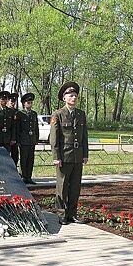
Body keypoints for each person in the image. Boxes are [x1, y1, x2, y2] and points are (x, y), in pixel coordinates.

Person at [50, 81, 88, 225]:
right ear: (64, 98)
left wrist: (85, 154)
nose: (73, 98)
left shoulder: (81, 114)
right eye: (71, 95)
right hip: (64, 156)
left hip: (77, 155)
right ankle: (61, 214)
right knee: (62, 186)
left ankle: (72, 213)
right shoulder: (58, 114)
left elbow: (84, 136)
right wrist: (56, 157)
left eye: (75, 96)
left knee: (75, 187)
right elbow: (54, 138)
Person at [18, 93, 39, 184]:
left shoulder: (34, 114)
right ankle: (23, 176)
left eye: (31, 102)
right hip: (24, 139)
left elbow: (36, 127)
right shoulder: (20, 113)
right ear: (24, 104)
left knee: (31, 159)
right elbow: (17, 128)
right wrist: (18, 140)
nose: (29, 104)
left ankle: (29, 177)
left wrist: (36, 139)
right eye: (28, 102)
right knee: (24, 158)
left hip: (31, 139)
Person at [8, 92, 20, 166]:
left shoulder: (17, 112)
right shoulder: (6, 111)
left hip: (15, 137)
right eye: (11, 101)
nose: (13, 103)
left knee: (15, 156)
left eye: (14, 101)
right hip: (6, 137)